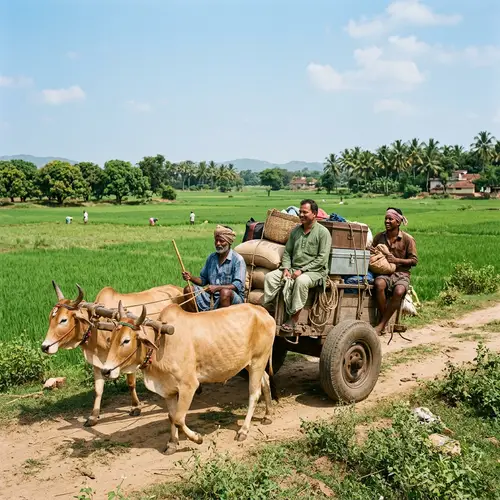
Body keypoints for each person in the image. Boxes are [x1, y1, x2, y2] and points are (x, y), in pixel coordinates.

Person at [263, 199, 332, 333]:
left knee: (301, 281)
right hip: (294, 268)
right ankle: (271, 309)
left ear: (314, 214)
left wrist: (302, 270)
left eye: (305, 212)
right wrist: (286, 269)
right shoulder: (295, 231)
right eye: (300, 212)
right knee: (270, 277)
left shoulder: (323, 233)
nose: (301, 215)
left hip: (315, 271)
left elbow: (322, 259)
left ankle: (294, 319)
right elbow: (288, 252)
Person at [371, 207, 418, 335]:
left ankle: (381, 324)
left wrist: (397, 260)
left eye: (390, 219)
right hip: (385, 273)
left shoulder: (408, 239)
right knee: (379, 284)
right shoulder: (379, 237)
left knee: (399, 291)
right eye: (386, 218)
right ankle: (384, 321)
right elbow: (372, 251)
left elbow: (414, 261)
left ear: (398, 222)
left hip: (402, 274)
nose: (386, 221)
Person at [181, 225, 246, 312]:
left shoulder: (238, 260)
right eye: (216, 240)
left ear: (229, 242)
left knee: (225, 292)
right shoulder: (211, 258)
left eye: (221, 241)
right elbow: (203, 280)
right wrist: (190, 277)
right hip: (211, 296)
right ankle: (196, 318)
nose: (218, 243)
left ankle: (223, 322)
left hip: (232, 298)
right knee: (188, 290)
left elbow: (237, 285)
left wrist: (217, 288)